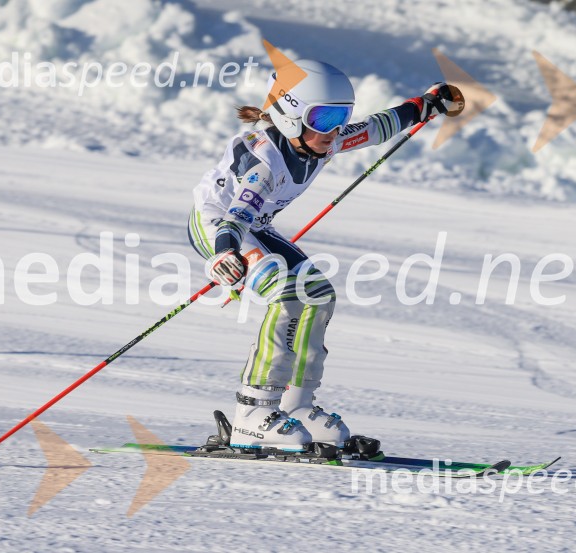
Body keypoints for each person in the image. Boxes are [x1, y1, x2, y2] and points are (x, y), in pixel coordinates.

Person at [189, 59, 458, 452]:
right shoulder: (265, 162)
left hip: (255, 225)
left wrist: (426, 104)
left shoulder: (318, 139)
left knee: (318, 295)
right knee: (289, 295)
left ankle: (294, 406)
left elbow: (377, 127)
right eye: (325, 116)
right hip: (220, 227)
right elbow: (234, 218)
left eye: (341, 115)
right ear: (291, 115)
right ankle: (252, 414)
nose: (334, 129)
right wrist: (224, 256)